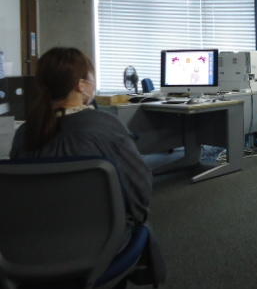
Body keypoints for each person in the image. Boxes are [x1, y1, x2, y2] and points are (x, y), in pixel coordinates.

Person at [11, 47, 153, 242]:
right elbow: (139, 188)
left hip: (29, 242)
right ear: (82, 85)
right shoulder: (105, 125)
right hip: (100, 242)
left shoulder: (24, 133)